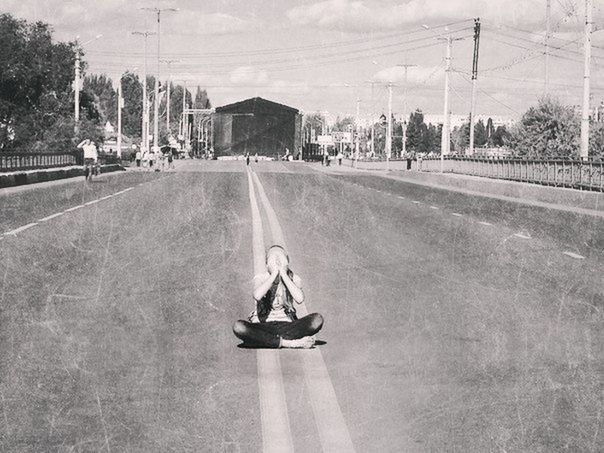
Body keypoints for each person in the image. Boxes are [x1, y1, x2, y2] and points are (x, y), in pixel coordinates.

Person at [233, 245, 323, 349]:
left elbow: (299, 299)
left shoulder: (293, 278)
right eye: (272, 258)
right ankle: (291, 343)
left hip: (287, 325)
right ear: (267, 264)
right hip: (263, 325)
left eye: (280, 257)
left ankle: (264, 340)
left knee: (317, 319)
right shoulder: (261, 278)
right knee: (239, 327)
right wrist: (274, 274)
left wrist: (284, 274)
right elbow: (257, 295)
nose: (277, 261)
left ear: (287, 261)